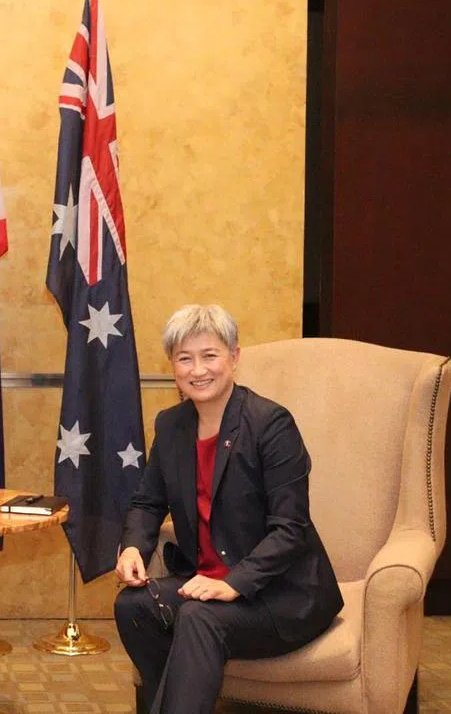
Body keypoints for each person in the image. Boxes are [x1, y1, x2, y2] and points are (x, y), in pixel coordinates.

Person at [114, 305, 343, 714]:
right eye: (185, 358)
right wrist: (133, 547)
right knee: (134, 607)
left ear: (234, 357)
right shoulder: (172, 425)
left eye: (210, 355)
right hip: (209, 587)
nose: (197, 369)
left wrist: (233, 583)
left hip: (282, 596)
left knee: (200, 619)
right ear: (173, 366)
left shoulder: (270, 424)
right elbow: (148, 502)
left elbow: (290, 528)